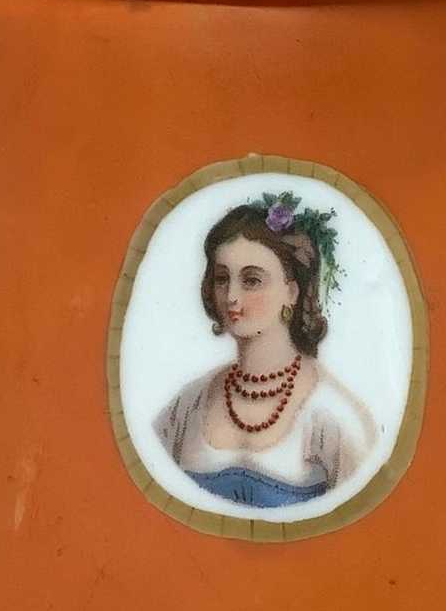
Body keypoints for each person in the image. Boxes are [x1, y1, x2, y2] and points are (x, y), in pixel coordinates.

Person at [154, 196, 376, 508]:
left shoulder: (332, 416)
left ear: (291, 292)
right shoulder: (188, 405)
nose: (231, 296)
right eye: (222, 278)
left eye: (251, 280)